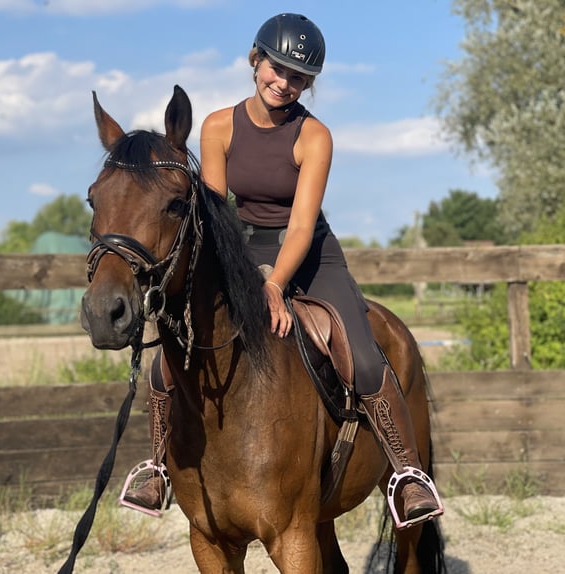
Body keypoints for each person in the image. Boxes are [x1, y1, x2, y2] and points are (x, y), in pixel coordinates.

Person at [121, 12, 442, 528]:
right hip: (239, 248)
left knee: (360, 353)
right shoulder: (219, 126)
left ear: (308, 84)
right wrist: (240, 273)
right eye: (276, 68)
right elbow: (217, 213)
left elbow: (299, 226)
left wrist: (273, 283)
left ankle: (406, 474)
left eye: (298, 77)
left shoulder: (314, 136)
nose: (283, 82)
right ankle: (156, 466)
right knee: (169, 357)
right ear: (255, 60)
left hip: (311, 252)